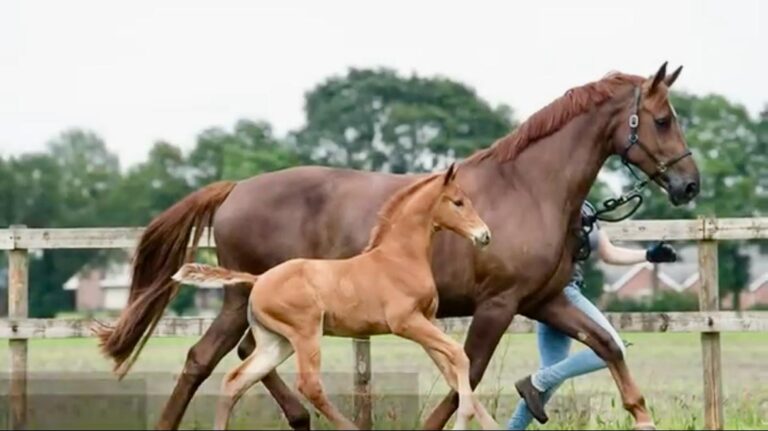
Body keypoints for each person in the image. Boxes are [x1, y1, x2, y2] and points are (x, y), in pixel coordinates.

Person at [508, 201, 678, 430]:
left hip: (559, 294)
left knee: (545, 385)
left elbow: (608, 253)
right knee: (613, 347)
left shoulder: (585, 207)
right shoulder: (547, 201)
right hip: (562, 293)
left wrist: (648, 255)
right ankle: (538, 381)